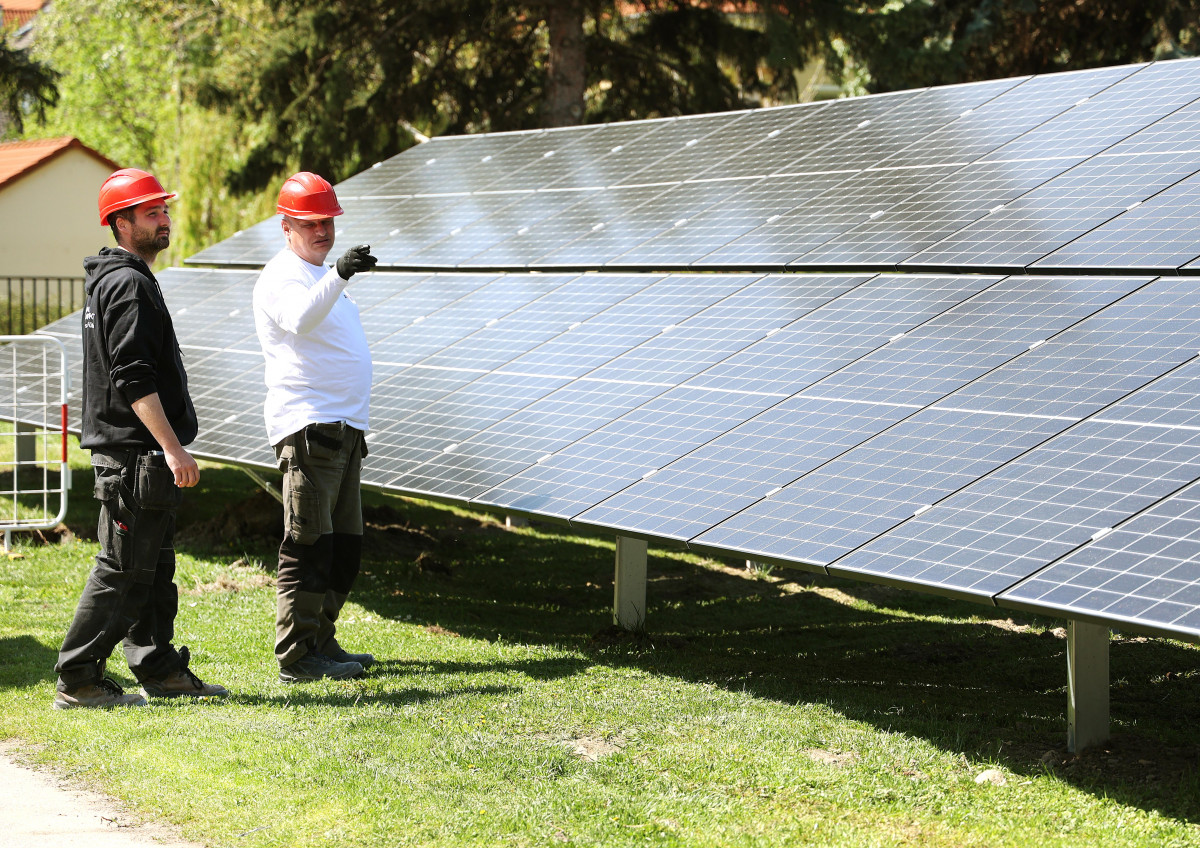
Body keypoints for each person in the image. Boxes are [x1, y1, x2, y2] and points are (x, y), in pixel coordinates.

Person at [53, 168, 228, 709]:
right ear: (121, 222)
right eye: (151, 212)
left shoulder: (120, 279)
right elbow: (133, 377)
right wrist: (172, 448)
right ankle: (78, 678)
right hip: (134, 454)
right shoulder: (127, 284)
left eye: (164, 209)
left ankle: (158, 667)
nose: (164, 219)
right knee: (123, 567)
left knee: (155, 567)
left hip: (137, 454)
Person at [252, 171, 378, 682]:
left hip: (345, 432)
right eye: (310, 223)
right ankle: (298, 655)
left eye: (327, 222)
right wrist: (341, 273)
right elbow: (301, 320)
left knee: (343, 547)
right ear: (287, 226)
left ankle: (321, 639)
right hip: (310, 431)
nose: (322, 231)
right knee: (309, 544)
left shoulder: (322, 276)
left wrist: (335, 276)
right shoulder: (283, 276)